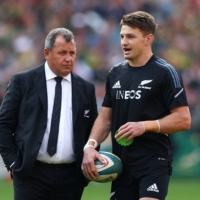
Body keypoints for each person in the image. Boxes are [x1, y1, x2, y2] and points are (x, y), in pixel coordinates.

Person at [82, 11, 191, 200]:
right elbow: (105, 119)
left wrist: (144, 126)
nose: (124, 42)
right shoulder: (115, 73)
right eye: (122, 36)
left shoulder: (165, 72)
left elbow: (183, 119)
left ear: (148, 39)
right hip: (122, 164)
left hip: (153, 161)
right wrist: (90, 146)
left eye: (131, 37)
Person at [0, 28, 98, 200]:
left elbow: (94, 130)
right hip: (31, 174)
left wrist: (86, 166)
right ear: (47, 53)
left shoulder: (86, 89)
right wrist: (14, 163)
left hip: (71, 178)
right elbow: (4, 124)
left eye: (72, 53)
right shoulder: (22, 81)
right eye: (62, 53)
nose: (68, 58)